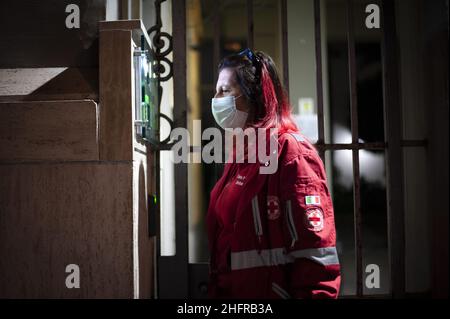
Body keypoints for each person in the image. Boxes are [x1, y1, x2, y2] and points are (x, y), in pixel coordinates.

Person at [206, 49, 341, 299]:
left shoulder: (292, 154)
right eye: (216, 90)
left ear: (254, 97)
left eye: (225, 91)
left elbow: (316, 261)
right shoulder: (242, 155)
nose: (216, 99)